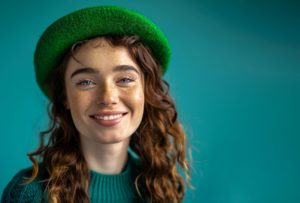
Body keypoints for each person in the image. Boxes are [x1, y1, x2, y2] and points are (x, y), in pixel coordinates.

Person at [1, 5, 190, 203]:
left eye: (125, 79)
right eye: (86, 82)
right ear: (64, 96)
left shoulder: (160, 188)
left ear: (145, 90)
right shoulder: (30, 193)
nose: (108, 97)